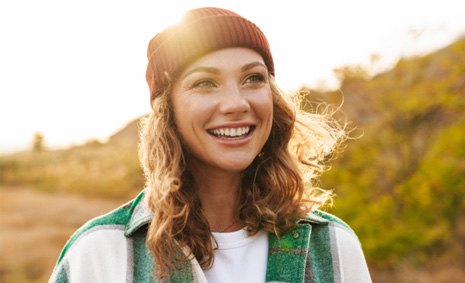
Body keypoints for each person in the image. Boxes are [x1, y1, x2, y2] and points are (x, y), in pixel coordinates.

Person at [49, 7, 372, 283]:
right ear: (168, 111)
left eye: (253, 78)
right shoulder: (101, 253)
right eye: (205, 83)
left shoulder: (331, 244)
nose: (236, 103)